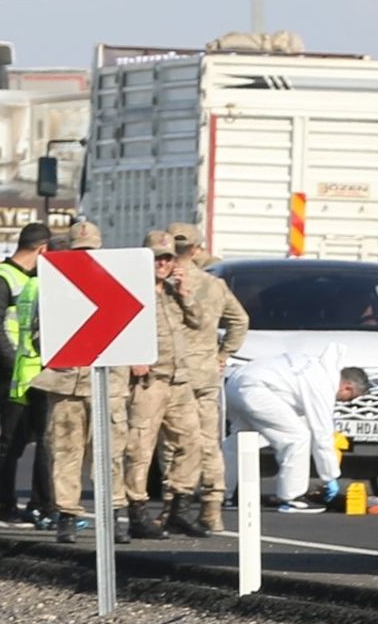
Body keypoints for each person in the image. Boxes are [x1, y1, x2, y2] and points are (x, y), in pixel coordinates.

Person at [25, 222, 132, 544]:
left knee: (109, 454)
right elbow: (36, 332)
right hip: (66, 383)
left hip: (107, 382)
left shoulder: (118, 281)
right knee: (66, 452)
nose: (84, 256)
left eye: (89, 250)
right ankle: (68, 516)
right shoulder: (53, 284)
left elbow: (134, 328)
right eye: (79, 250)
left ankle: (114, 515)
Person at [162, 221, 249, 532]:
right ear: (197, 249)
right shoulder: (214, 285)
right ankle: (212, 508)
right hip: (206, 372)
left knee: (175, 442)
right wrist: (223, 354)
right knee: (209, 441)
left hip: (173, 372)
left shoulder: (164, 282)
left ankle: (174, 503)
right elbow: (240, 320)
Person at [123, 231, 206, 538]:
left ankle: (178, 508)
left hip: (179, 381)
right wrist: (131, 357)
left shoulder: (172, 293)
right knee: (140, 448)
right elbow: (117, 331)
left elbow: (199, 322)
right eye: (156, 257)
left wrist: (185, 293)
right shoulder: (131, 292)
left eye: (167, 258)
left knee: (191, 442)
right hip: (150, 382)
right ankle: (137, 511)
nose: (162, 263)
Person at [223, 343, 370, 513]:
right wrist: (329, 476)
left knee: (240, 440)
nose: (347, 402)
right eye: (350, 397)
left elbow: (299, 415)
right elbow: (322, 433)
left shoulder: (313, 368)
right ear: (347, 387)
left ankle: (223, 493)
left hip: (236, 384)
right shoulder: (322, 384)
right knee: (297, 438)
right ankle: (292, 498)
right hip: (254, 389)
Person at [0, 222, 54, 528]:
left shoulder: (38, 279)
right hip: (10, 373)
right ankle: (6, 508)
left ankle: (39, 506)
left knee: (44, 441)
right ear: (43, 249)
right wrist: (14, 363)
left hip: (38, 371)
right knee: (11, 443)